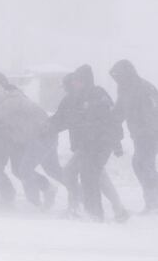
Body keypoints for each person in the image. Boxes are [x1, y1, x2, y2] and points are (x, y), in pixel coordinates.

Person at [49, 72, 128, 221]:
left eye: (73, 83)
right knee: (91, 176)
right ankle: (116, 210)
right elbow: (60, 119)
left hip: (94, 145)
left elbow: (111, 119)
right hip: (85, 145)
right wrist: (47, 127)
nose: (70, 87)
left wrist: (116, 143)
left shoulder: (94, 95)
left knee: (76, 173)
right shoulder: (72, 99)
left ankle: (84, 210)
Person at [0, 83, 58, 209]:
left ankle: (42, 195)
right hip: (30, 138)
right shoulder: (7, 101)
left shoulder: (13, 101)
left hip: (41, 137)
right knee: (20, 170)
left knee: (24, 170)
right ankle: (43, 193)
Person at [110, 60, 158, 214]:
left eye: (119, 76)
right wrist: (114, 136)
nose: (117, 79)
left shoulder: (144, 88)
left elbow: (153, 111)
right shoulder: (125, 89)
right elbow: (118, 113)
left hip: (150, 133)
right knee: (141, 165)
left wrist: (150, 131)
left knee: (143, 164)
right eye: (115, 77)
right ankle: (152, 202)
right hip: (139, 135)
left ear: (127, 73)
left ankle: (153, 203)